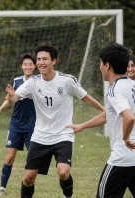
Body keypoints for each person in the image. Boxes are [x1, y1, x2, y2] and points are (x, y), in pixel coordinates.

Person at [6, 42, 104, 198]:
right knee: (29, 177)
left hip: (63, 134)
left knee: (63, 171)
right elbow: (15, 98)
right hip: (40, 136)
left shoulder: (67, 81)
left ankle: (68, 196)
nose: (41, 62)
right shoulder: (32, 82)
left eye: (45, 59)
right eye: (38, 59)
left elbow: (85, 98)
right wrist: (11, 97)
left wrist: (104, 110)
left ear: (54, 61)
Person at [67, 42, 135, 198]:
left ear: (107, 65)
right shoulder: (133, 85)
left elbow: (129, 117)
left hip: (122, 158)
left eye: (100, 63)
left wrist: (126, 138)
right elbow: (107, 115)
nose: (100, 67)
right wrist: (82, 126)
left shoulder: (115, 90)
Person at [0, 53, 37, 196]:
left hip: (32, 127)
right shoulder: (17, 81)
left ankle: (27, 186)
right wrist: (0, 108)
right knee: (9, 157)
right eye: (25, 64)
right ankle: (2, 188)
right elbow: (10, 98)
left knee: (31, 160)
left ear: (35, 66)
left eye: (30, 64)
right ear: (21, 66)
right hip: (16, 125)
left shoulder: (39, 81)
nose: (28, 66)